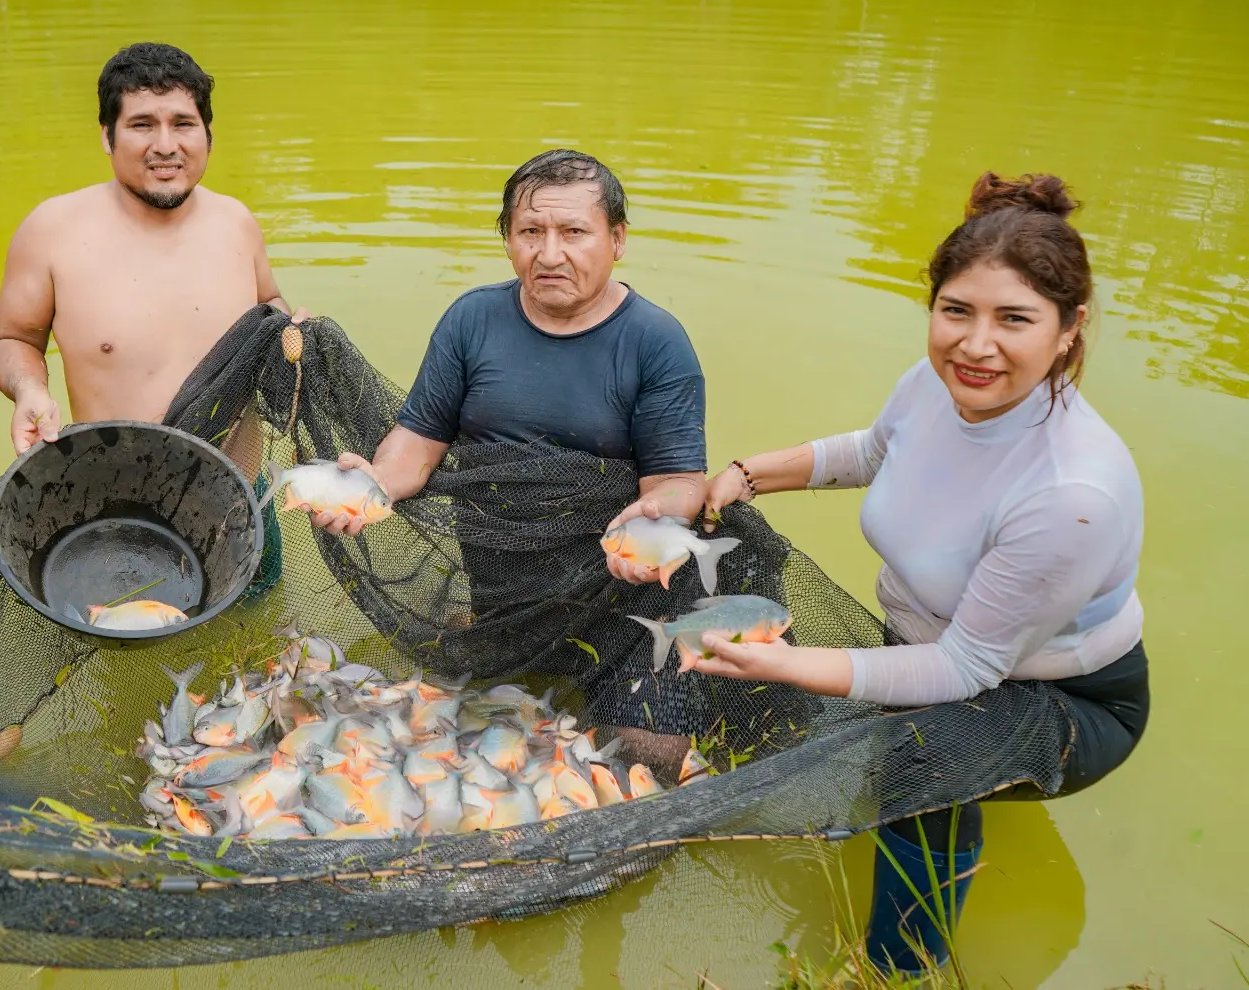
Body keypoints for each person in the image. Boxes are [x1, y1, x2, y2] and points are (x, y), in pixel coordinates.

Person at [683, 173, 1148, 972]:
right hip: (934, 637)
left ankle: (898, 966)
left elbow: (967, 667)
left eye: (1015, 320)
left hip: (1061, 698)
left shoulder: (1073, 491)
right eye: (956, 311)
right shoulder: (939, 385)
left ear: (1069, 329)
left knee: (923, 764)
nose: (974, 345)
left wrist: (786, 664)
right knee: (887, 731)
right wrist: (748, 471)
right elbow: (871, 450)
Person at [310, 148, 711, 760]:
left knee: (643, 762)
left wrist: (654, 512)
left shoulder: (655, 342)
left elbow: (681, 482)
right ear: (508, 240)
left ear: (618, 238)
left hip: (619, 594)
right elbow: (415, 448)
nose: (550, 254)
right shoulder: (472, 320)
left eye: (574, 232)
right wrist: (375, 485)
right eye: (530, 232)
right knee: (467, 744)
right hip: (500, 593)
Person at [0, 42, 305, 595]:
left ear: (207, 134)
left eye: (183, 123)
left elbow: (269, 306)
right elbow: (13, 339)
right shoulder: (52, 230)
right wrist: (27, 389)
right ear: (107, 137)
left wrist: (291, 326)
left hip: (240, 499)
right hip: (117, 510)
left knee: (264, 653)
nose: (165, 146)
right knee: (126, 668)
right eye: (141, 125)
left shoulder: (236, 222)